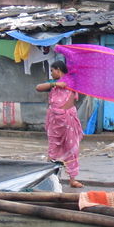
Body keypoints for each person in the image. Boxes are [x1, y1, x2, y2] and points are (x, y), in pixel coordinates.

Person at [36, 60, 84, 188]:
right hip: (55, 121)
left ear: (58, 70)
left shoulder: (72, 83)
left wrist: (65, 83)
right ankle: (49, 177)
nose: (51, 73)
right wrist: (56, 83)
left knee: (72, 148)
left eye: (52, 71)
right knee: (53, 149)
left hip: (68, 120)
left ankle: (72, 179)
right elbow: (38, 87)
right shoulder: (54, 84)